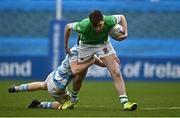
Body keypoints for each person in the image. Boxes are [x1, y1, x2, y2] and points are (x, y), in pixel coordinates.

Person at [63, 10, 137, 111]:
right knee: (79, 76)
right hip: (86, 46)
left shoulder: (109, 20)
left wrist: (126, 33)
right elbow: (68, 27)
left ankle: (125, 103)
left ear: (103, 20)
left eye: (100, 25)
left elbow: (122, 17)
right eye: (95, 26)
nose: (98, 28)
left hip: (103, 44)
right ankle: (73, 100)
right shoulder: (84, 25)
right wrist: (66, 47)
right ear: (90, 23)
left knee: (115, 71)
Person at [8, 44, 105, 109]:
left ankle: (16, 88)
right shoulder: (77, 53)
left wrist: (109, 62)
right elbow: (76, 71)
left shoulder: (78, 48)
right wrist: (90, 62)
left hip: (54, 75)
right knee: (69, 104)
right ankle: (40, 105)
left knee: (43, 85)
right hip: (57, 86)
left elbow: (100, 62)